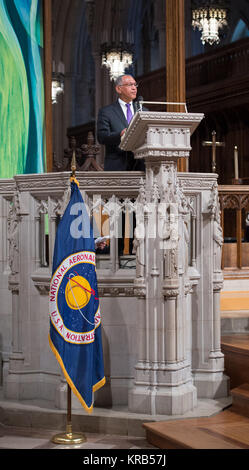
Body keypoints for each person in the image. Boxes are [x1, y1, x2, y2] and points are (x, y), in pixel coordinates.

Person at [97, 74, 145, 171]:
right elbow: (102, 137)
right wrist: (120, 134)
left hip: (141, 165)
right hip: (117, 165)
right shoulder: (107, 111)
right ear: (119, 89)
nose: (134, 88)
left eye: (135, 85)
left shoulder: (144, 111)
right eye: (130, 85)